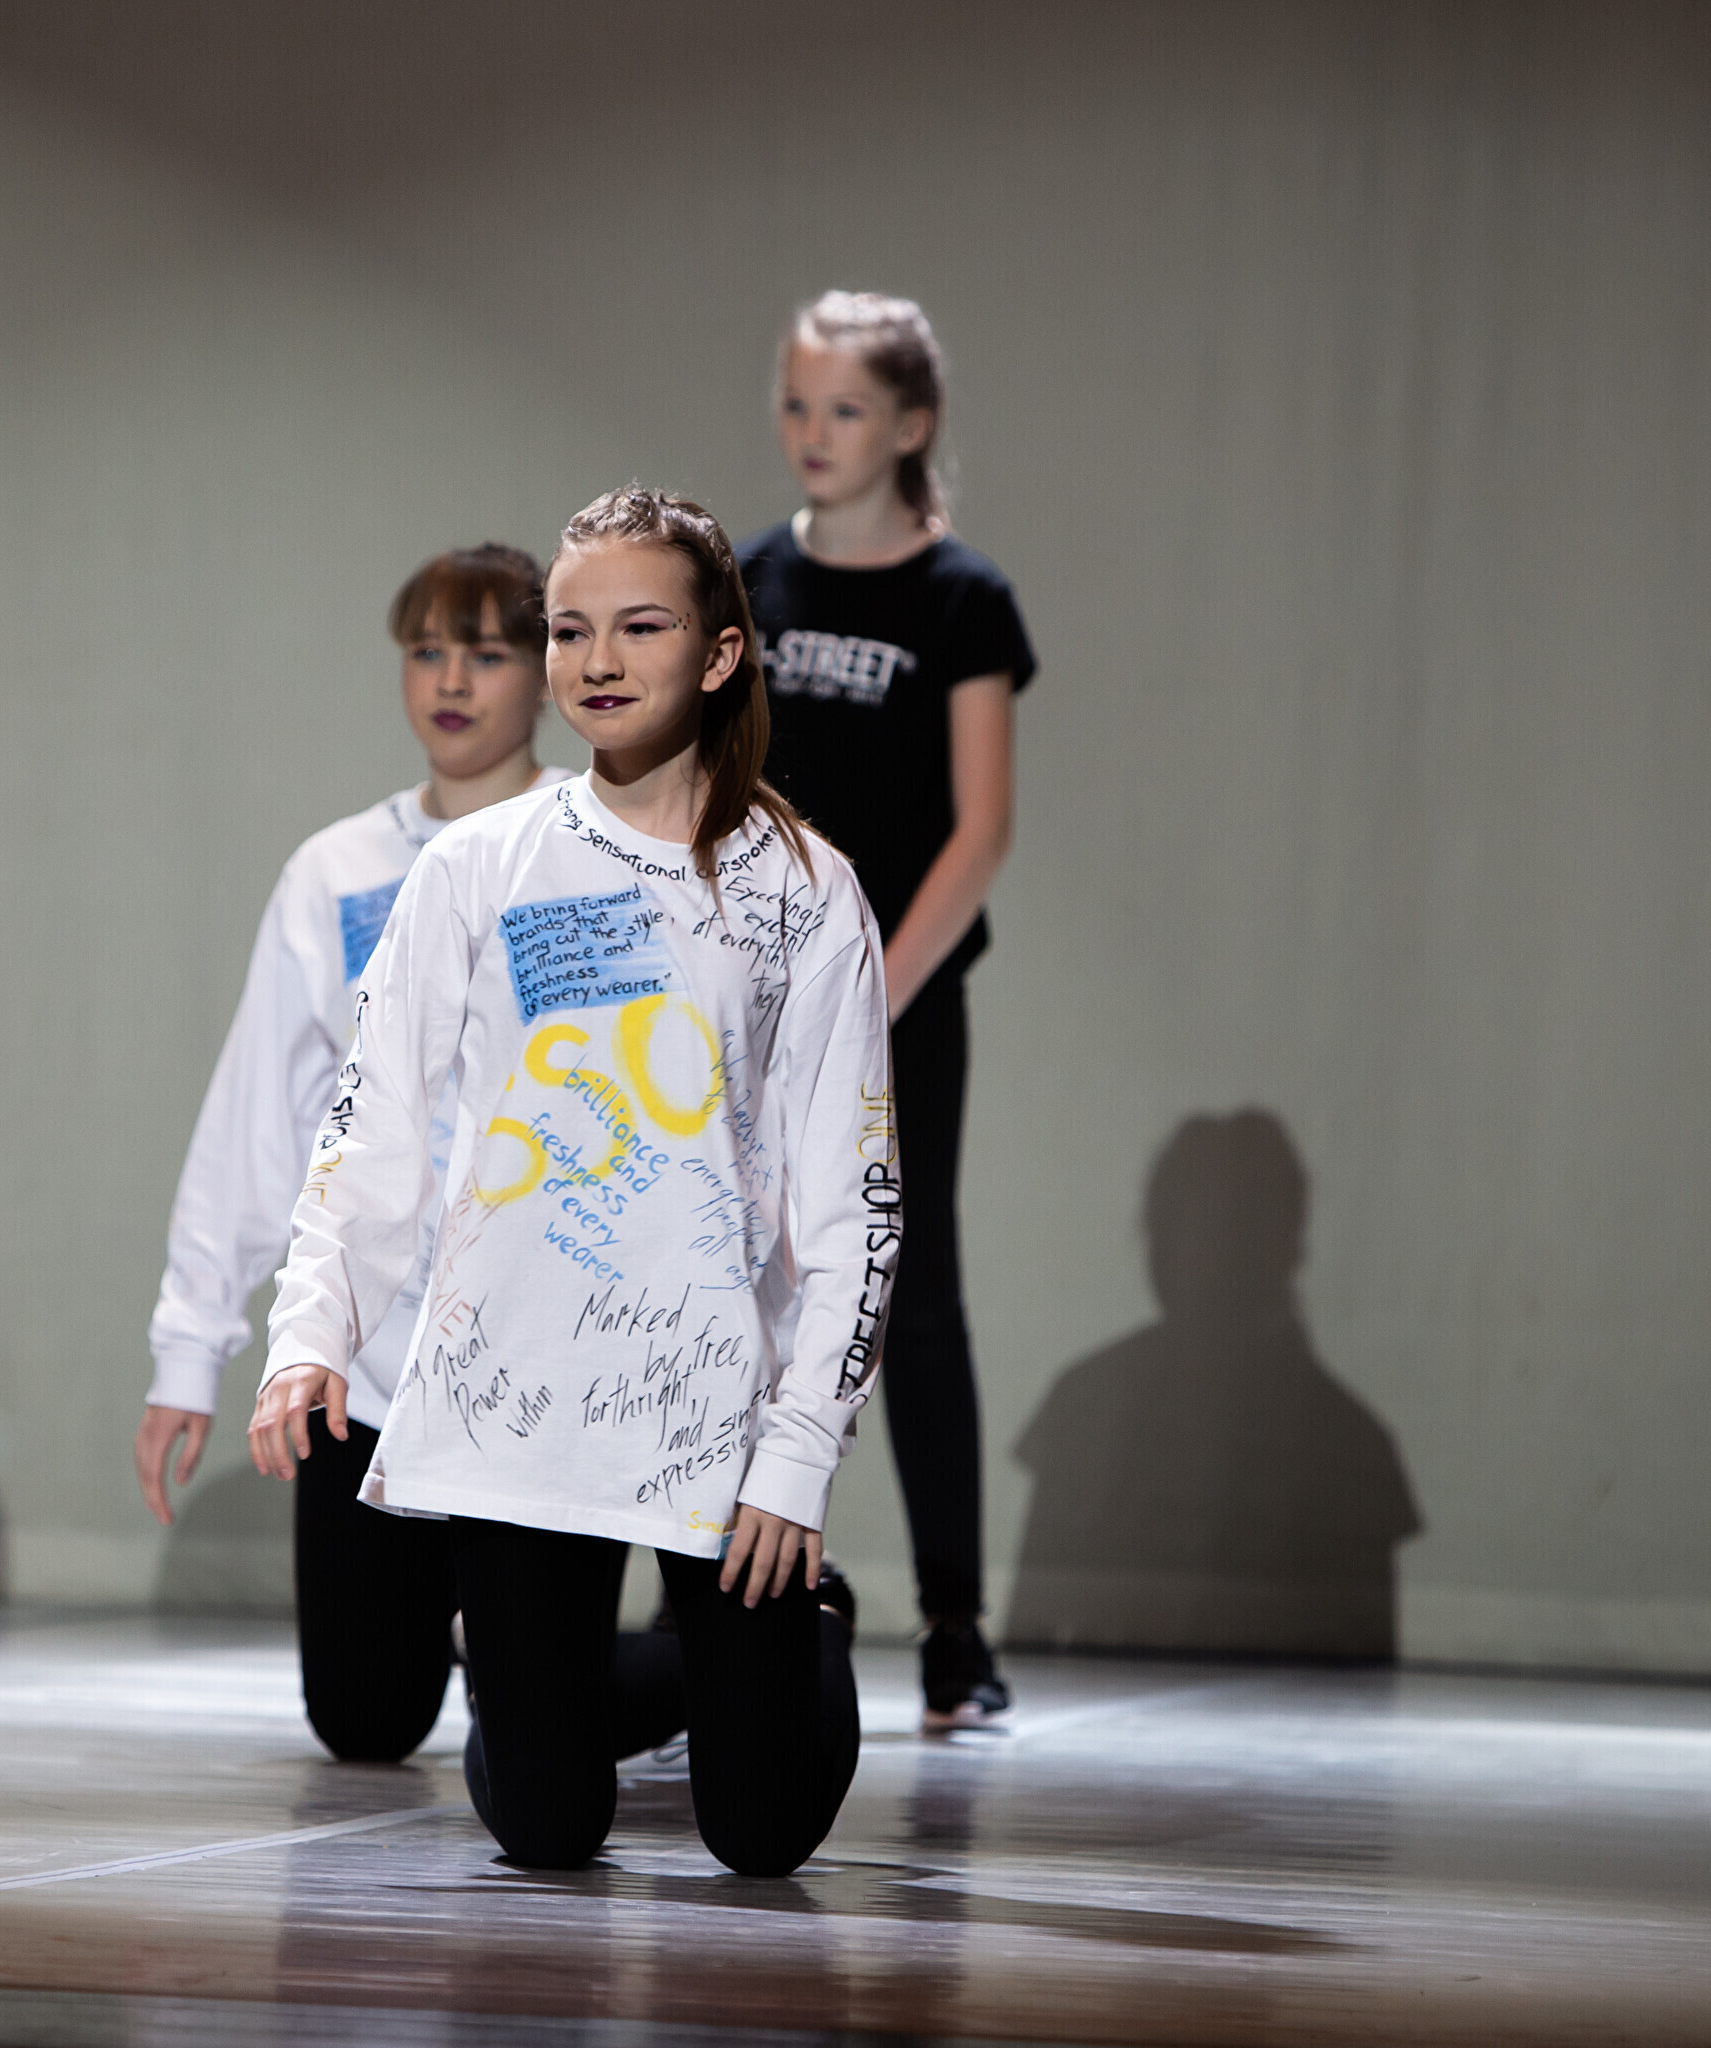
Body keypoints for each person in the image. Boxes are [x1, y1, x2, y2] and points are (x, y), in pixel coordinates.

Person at [249, 487, 891, 1876]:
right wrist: (312, 1332)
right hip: (517, 1398)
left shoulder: (805, 890)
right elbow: (374, 1121)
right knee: (544, 1827)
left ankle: (808, 1633)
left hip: (717, 1412)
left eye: (640, 627)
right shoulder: (478, 866)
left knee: (762, 1833)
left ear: (720, 653)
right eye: (569, 629)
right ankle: (523, 1674)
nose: (596, 660)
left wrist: (799, 1456)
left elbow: (857, 1209)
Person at [137, 544, 675, 1763]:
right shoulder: (336, 870)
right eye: (428, 650)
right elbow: (260, 1114)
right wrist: (190, 1348)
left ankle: (747, 1652)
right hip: (370, 1367)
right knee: (364, 1719)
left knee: (547, 1726)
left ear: (545, 671)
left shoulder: (600, 849)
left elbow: (643, 1109)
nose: (452, 680)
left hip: (543, 1360)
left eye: (487, 652)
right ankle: (491, 1642)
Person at [737, 291, 1037, 1729]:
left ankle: (955, 1632)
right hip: (747, 1007)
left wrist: (866, 997)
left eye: (845, 408)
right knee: (734, 1284)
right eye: (798, 404)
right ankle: (715, 1601)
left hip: (898, 1006)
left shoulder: (962, 599)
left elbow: (981, 832)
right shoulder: (747, 580)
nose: (814, 432)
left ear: (910, 424)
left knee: (910, 1297)